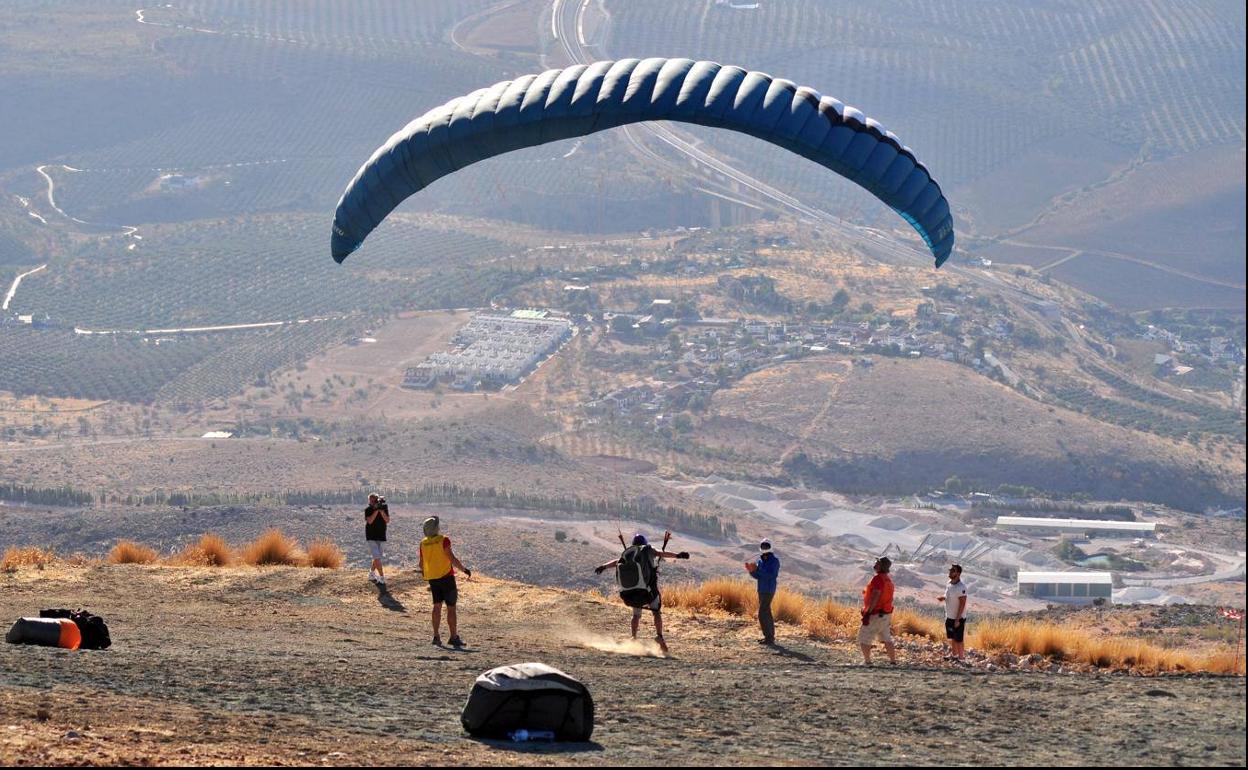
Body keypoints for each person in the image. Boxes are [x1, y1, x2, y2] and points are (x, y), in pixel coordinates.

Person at [594, 532, 689, 654]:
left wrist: (603, 567)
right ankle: (659, 636)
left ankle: (633, 637)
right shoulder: (648, 550)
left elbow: (616, 562)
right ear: (645, 543)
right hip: (648, 592)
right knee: (656, 612)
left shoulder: (629, 554)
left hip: (631, 594)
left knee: (636, 615)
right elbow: (662, 554)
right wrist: (678, 555)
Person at [419, 516, 471, 647]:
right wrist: (464, 570)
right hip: (447, 578)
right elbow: (452, 558)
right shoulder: (444, 540)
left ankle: (436, 636)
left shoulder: (423, 543)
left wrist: (427, 574)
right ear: (436, 528)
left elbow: (421, 564)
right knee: (451, 608)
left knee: (436, 606)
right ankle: (453, 637)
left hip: (433, 579)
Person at [859, 556, 897, 665]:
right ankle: (893, 662)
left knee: (864, 637)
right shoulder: (887, 579)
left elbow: (876, 595)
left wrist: (868, 612)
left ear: (881, 566)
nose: (875, 565)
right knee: (887, 638)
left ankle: (867, 662)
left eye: (877, 563)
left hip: (876, 614)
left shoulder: (878, 579)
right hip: (886, 615)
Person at [744, 539, 780, 645]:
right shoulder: (760, 561)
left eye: (766, 546)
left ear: (770, 547)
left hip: (769, 590)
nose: (764, 548)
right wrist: (751, 571)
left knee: (762, 613)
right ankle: (769, 637)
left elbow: (771, 575)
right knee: (766, 612)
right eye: (763, 546)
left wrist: (757, 570)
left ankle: (769, 638)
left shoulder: (774, 561)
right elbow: (758, 576)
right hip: (761, 589)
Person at [937, 563, 968, 660]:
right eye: (950, 570)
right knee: (952, 637)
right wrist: (943, 597)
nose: (950, 572)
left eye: (952, 570)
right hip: (949, 616)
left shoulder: (961, 587)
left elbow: (962, 603)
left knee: (959, 639)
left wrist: (957, 620)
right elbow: (948, 595)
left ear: (958, 573)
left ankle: (961, 658)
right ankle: (954, 656)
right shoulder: (949, 583)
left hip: (958, 618)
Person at [364, 494, 390, 588]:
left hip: (382, 536)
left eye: (374, 500)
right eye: (370, 501)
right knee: (377, 557)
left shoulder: (384, 508)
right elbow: (370, 521)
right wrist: (376, 511)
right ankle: (382, 577)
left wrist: (381, 511)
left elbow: (387, 520)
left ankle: (371, 573)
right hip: (371, 536)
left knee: (377, 557)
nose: (372, 502)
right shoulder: (368, 510)